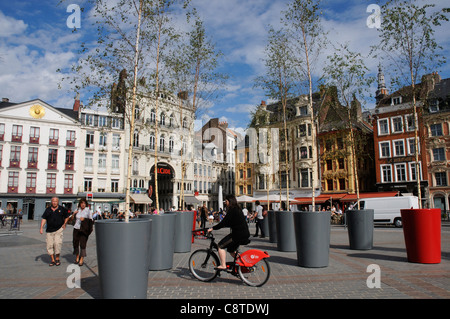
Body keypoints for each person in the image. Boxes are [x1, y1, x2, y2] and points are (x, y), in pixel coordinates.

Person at [207, 195, 250, 270]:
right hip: (243, 233)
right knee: (231, 250)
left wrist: (213, 228)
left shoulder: (232, 210)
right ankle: (243, 263)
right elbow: (229, 223)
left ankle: (223, 265)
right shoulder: (237, 209)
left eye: (226, 201)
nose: (225, 203)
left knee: (220, 245)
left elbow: (223, 222)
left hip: (238, 235)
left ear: (230, 201)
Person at [39, 197, 70, 266]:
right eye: (53, 201)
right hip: (49, 230)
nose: (54, 202)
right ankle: (53, 260)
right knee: (49, 245)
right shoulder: (48, 210)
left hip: (58, 229)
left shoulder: (62, 209)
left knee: (57, 243)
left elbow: (67, 216)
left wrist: (64, 223)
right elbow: (44, 218)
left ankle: (57, 258)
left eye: (56, 201)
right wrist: (41, 228)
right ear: (51, 202)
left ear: (58, 202)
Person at [72, 199, 93, 266]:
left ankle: (81, 259)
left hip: (84, 229)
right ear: (79, 204)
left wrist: (84, 219)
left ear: (86, 204)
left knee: (82, 244)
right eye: (81, 203)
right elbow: (72, 219)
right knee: (75, 242)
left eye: (84, 203)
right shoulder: (77, 210)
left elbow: (91, 221)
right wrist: (73, 214)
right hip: (76, 228)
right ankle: (77, 256)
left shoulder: (88, 211)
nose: (83, 204)